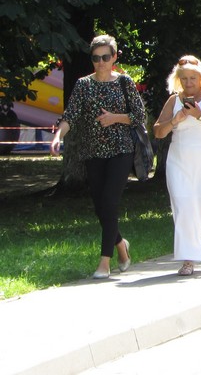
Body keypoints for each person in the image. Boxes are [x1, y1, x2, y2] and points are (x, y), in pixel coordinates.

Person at [50, 35, 143, 279]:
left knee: (109, 203)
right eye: (95, 58)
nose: (100, 62)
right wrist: (58, 136)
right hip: (92, 152)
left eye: (105, 57)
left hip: (121, 151)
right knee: (101, 208)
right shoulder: (83, 85)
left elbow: (139, 116)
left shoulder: (124, 82)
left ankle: (105, 262)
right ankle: (122, 246)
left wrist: (116, 118)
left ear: (114, 57)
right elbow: (70, 115)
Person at [153, 56, 201, 276]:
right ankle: (188, 259)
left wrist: (199, 115)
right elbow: (158, 131)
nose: (188, 83)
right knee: (183, 207)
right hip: (179, 161)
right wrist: (175, 120)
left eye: (192, 78)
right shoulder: (174, 100)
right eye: (184, 78)